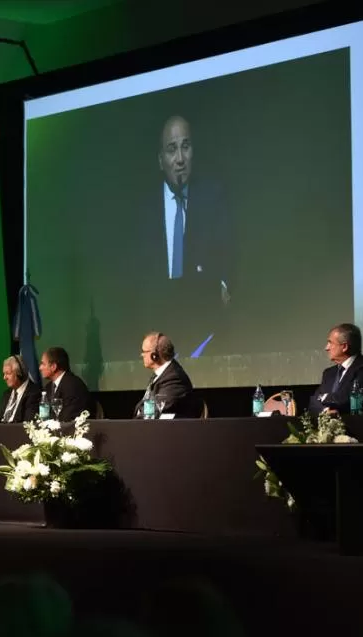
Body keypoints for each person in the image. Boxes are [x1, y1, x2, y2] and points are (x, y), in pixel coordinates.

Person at [140, 115, 234, 358]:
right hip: (158, 319)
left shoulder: (214, 197)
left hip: (205, 319)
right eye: (172, 149)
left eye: (186, 146)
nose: (180, 159)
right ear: (161, 160)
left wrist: (223, 286)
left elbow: (230, 254)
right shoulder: (143, 209)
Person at [309, 324, 363, 415]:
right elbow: (313, 402)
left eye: (330, 342)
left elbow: (349, 398)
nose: (326, 348)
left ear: (344, 347)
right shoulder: (328, 373)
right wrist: (325, 411)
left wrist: (323, 397)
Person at [134, 332, 195, 418]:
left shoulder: (174, 379)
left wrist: (140, 414)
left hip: (173, 429)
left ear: (154, 355)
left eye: (144, 351)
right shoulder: (159, 375)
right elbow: (145, 405)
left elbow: (152, 412)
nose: (142, 354)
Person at [39, 347, 93, 422]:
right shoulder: (48, 388)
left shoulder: (73, 386)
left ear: (53, 367)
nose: (40, 368)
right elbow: (43, 416)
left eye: (43, 364)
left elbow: (68, 418)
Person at [0, 355, 42, 423]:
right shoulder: (6, 394)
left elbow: (28, 424)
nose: (4, 378)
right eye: (4, 374)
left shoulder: (34, 393)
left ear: (19, 373)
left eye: (8, 373)